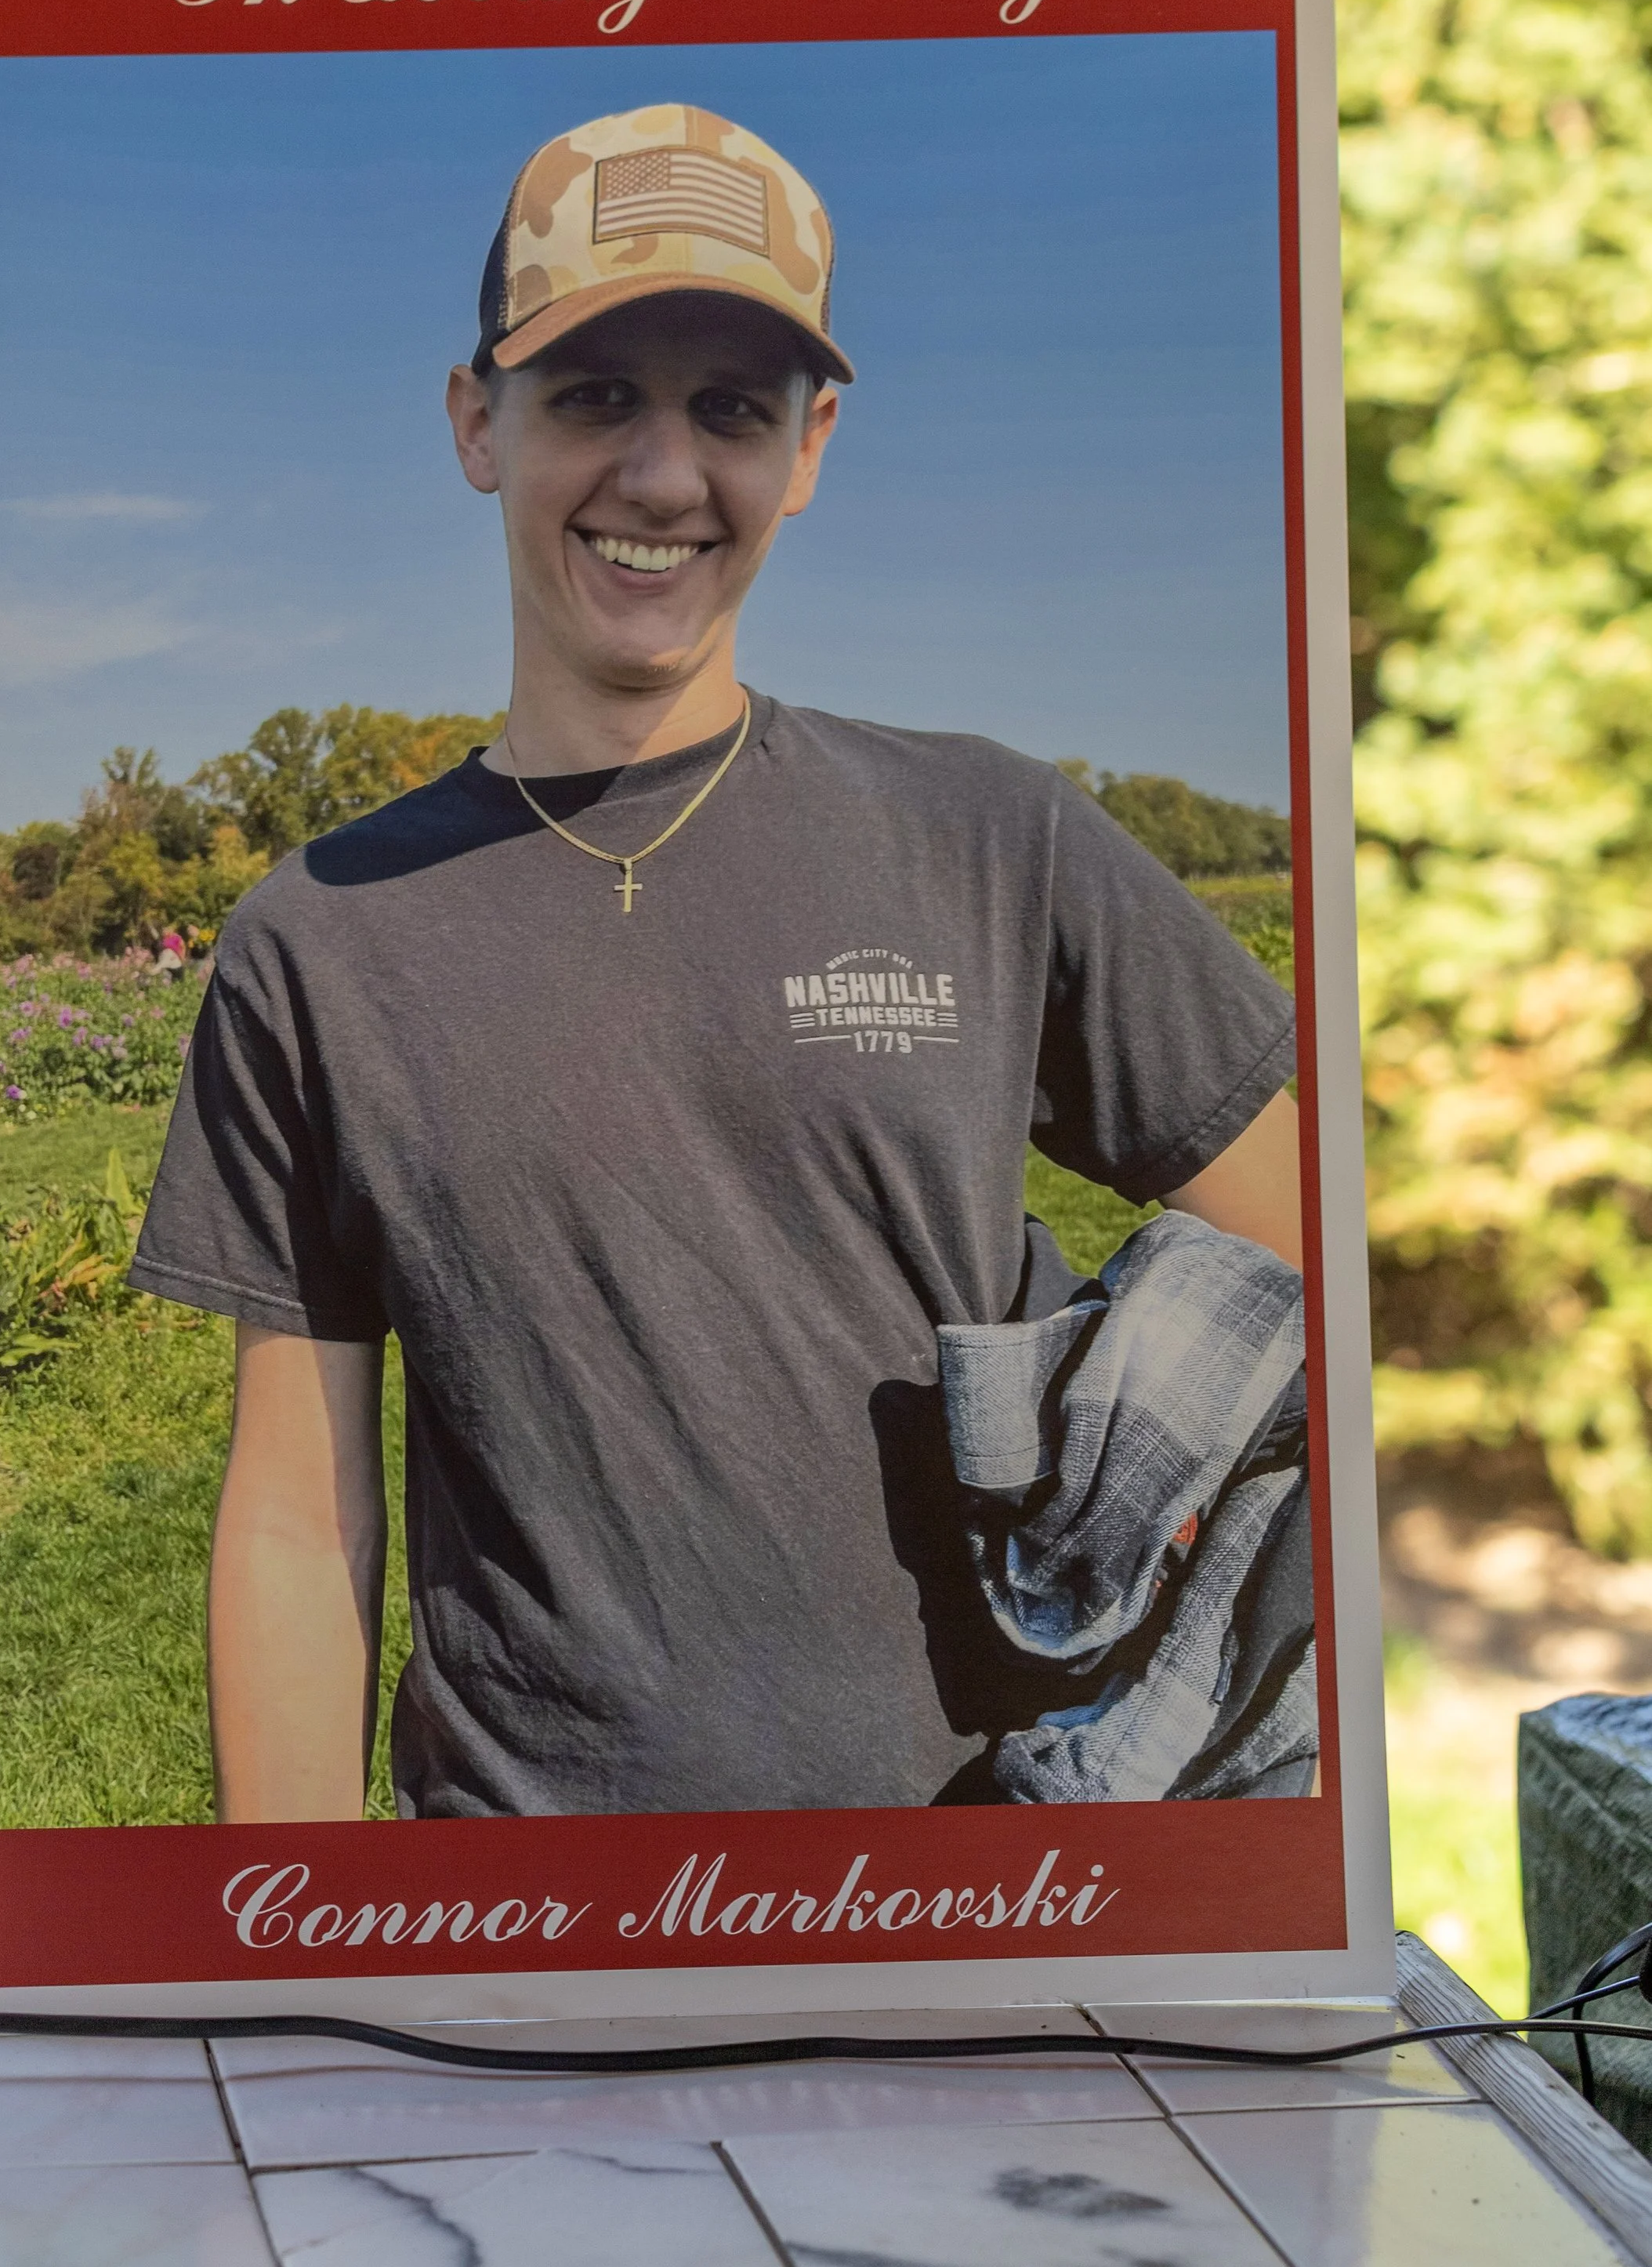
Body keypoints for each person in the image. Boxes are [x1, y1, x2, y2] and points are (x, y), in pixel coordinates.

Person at [128, 101, 1303, 1824]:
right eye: (594, 393)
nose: (664, 476)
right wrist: (290, 1957)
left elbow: (1307, 1258)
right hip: (524, 1912)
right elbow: (301, 1514)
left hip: (976, 1889)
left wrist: (1115, 1437)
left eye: (730, 409)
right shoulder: (323, 934)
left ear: (810, 445)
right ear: (476, 422)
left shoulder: (989, 835)